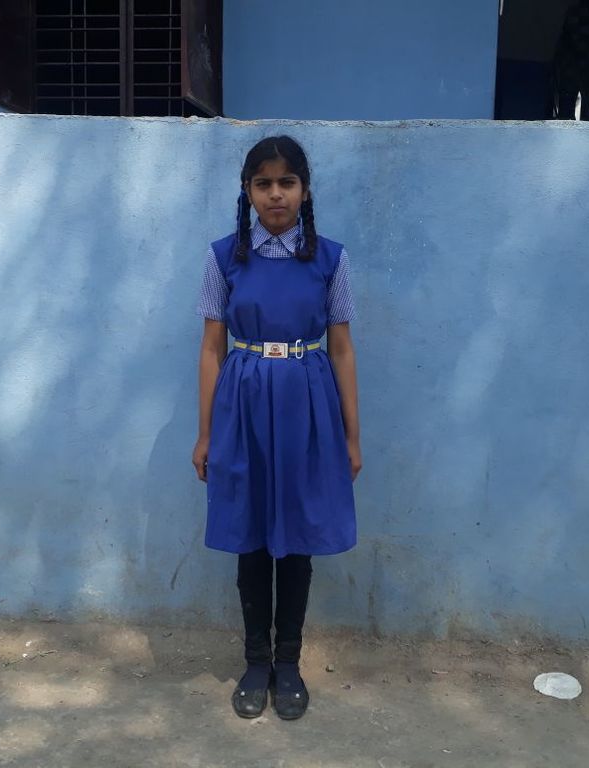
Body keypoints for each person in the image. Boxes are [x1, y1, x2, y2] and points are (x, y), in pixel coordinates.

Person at [193, 135, 362, 720]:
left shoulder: (331, 260)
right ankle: (255, 662)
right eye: (263, 184)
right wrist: (206, 433)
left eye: (286, 182)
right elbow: (211, 349)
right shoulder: (223, 258)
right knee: (251, 535)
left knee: (296, 539)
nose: (275, 194)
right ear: (247, 191)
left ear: (304, 191)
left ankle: (288, 663)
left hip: (308, 409)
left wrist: (352, 436)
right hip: (242, 406)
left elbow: (342, 350)